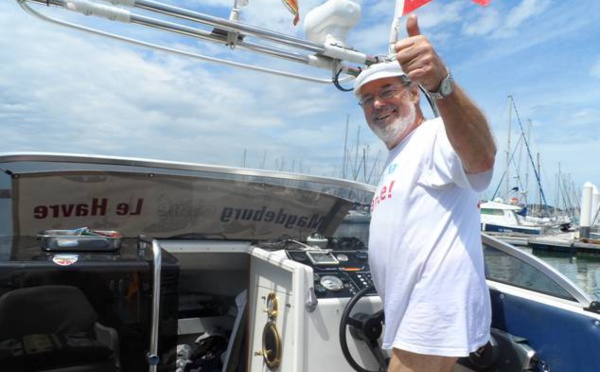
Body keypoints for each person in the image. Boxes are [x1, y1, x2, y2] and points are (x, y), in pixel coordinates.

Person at [353, 14, 497, 372]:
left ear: (415, 94)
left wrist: (441, 85)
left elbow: (481, 158)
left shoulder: (434, 135)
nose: (377, 105)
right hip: (407, 317)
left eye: (388, 91)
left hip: (436, 313)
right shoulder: (396, 157)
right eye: (367, 99)